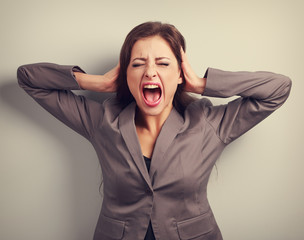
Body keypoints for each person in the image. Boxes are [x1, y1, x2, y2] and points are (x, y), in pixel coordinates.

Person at [17, 21, 291, 240]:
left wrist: (201, 83)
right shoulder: (102, 120)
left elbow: (278, 89)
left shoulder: (208, 123)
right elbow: (28, 78)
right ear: (126, 75)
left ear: (179, 74)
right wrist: (97, 83)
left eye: (163, 63)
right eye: (137, 64)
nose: (150, 72)